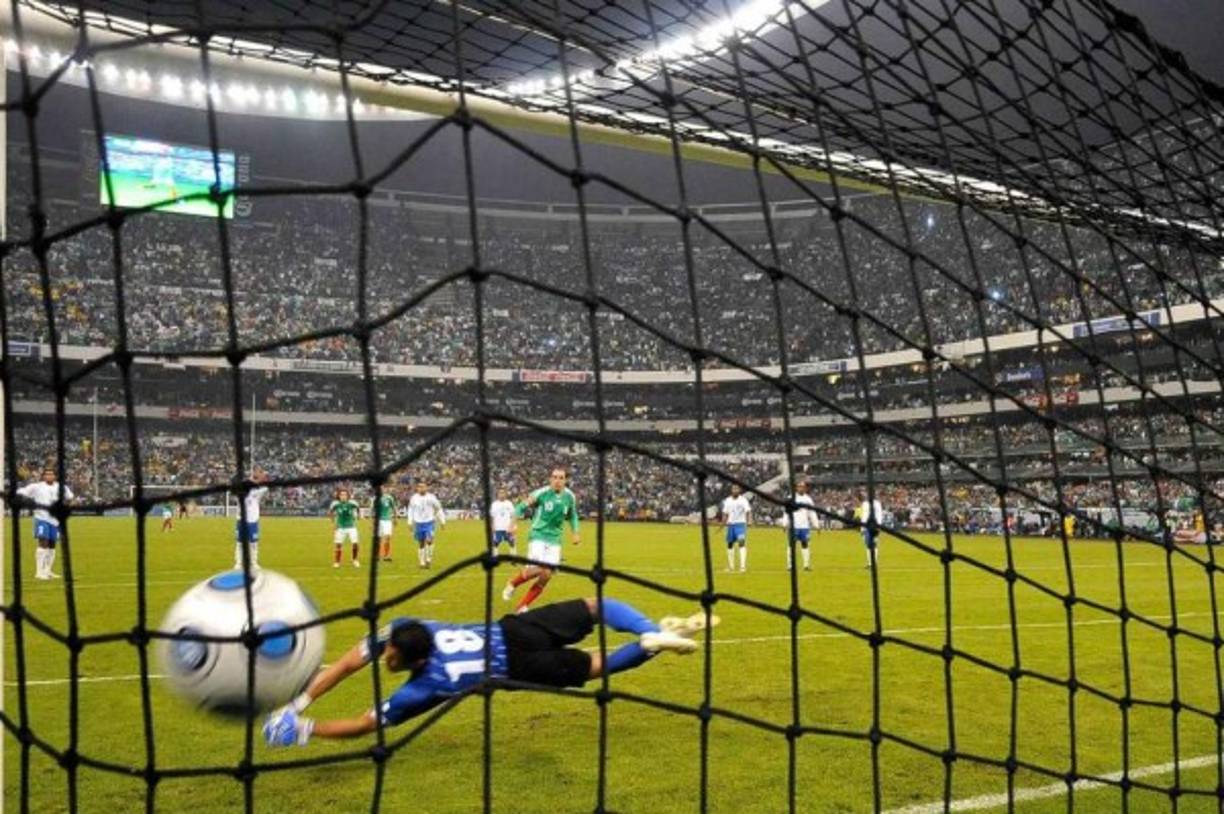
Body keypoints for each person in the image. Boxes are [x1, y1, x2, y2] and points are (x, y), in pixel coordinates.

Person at [262, 597, 718, 746]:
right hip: (513, 629)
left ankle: (650, 644)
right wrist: (298, 701)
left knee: (599, 666)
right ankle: (649, 630)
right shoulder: (413, 628)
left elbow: (364, 722)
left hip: (518, 667)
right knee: (595, 606)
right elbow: (349, 662)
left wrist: (304, 726)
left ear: (413, 661)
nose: (385, 659)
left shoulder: (423, 687)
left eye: (390, 658)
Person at [501, 468, 579, 613]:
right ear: (550, 479)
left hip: (555, 540)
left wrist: (575, 532)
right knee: (538, 569)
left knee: (547, 575)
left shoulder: (570, 496)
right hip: (538, 535)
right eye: (554, 477)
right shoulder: (541, 493)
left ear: (565, 480)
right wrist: (512, 524)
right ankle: (512, 583)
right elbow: (520, 506)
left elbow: (573, 515)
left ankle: (522, 606)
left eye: (561, 478)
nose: (557, 480)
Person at [16, 467, 74, 580]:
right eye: (46, 474)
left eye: (51, 474)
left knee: (52, 545)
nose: (49, 476)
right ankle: (39, 572)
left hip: (55, 520)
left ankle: (48, 570)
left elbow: (70, 497)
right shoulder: (36, 487)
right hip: (41, 518)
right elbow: (20, 492)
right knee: (43, 542)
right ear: (43, 476)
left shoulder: (61, 487)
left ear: (55, 476)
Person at [408, 481, 446, 569]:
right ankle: (422, 562)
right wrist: (409, 522)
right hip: (418, 523)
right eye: (420, 487)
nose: (421, 488)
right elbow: (410, 510)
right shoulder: (414, 498)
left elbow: (439, 508)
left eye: (423, 487)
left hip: (429, 522)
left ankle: (428, 559)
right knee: (421, 543)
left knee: (429, 540)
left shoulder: (431, 497)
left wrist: (442, 521)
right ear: (417, 488)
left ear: (426, 488)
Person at [235, 472, 269, 571]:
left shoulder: (256, 493)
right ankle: (238, 563)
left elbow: (265, 487)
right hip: (241, 520)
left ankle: (254, 563)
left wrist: (261, 478)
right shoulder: (239, 495)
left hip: (252, 521)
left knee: (253, 543)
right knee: (240, 543)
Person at [786, 481, 816, 572]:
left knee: (805, 544)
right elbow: (786, 512)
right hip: (793, 526)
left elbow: (812, 512)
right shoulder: (790, 498)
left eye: (802, 487)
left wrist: (816, 524)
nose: (801, 488)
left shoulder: (808, 499)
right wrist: (785, 523)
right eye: (799, 486)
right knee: (791, 545)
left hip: (805, 526)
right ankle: (790, 565)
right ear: (796, 488)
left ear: (806, 488)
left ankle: (806, 565)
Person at [720, 484, 751, 573]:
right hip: (730, 525)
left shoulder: (743, 500)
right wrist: (723, 523)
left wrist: (749, 521)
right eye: (734, 489)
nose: (735, 490)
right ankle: (731, 566)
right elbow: (725, 513)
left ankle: (742, 567)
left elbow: (748, 511)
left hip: (740, 525)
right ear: (731, 490)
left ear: (739, 490)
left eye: (737, 489)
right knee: (730, 545)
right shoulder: (728, 500)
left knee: (741, 543)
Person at [329, 488, 361, 568]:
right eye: (341, 495)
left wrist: (358, 516)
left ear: (348, 496)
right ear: (339, 496)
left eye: (345, 495)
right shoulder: (335, 504)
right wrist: (333, 522)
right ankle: (337, 562)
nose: (343, 496)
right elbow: (330, 512)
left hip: (351, 527)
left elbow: (358, 508)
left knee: (355, 543)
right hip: (340, 528)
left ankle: (355, 560)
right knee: (338, 545)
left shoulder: (352, 503)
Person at [489, 487, 518, 555]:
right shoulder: (494, 504)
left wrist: (512, 526)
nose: (501, 494)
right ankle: (495, 556)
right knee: (495, 543)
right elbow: (492, 516)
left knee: (511, 542)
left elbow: (513, 515)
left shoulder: (509, 503)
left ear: (505, 494)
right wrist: (492, 526)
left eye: (503, 493)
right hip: (498, 527)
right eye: (500, 493)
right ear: (497, 494)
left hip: (508, 528)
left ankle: (513, 556)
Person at [859, 492, 884, 568]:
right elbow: (863, 516)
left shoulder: (876, 504)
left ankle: (872, 563)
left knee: (872, 544)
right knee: (868, 544)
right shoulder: (865, 504)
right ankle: (871, 563)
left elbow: (879, 515)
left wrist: (878, 526)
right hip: (866, 526)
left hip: (872, 526)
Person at [373, 487, 397, 563]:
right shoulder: (375, 498)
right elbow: (373, 510)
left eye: (382, 488)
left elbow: (394, 508)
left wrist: (395, 518)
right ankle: (377, 556)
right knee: (378, 538)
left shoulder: (389, 498)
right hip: (379, 520)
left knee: (387, 537)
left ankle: (386, 556)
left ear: (384, 489)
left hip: (387, 520)